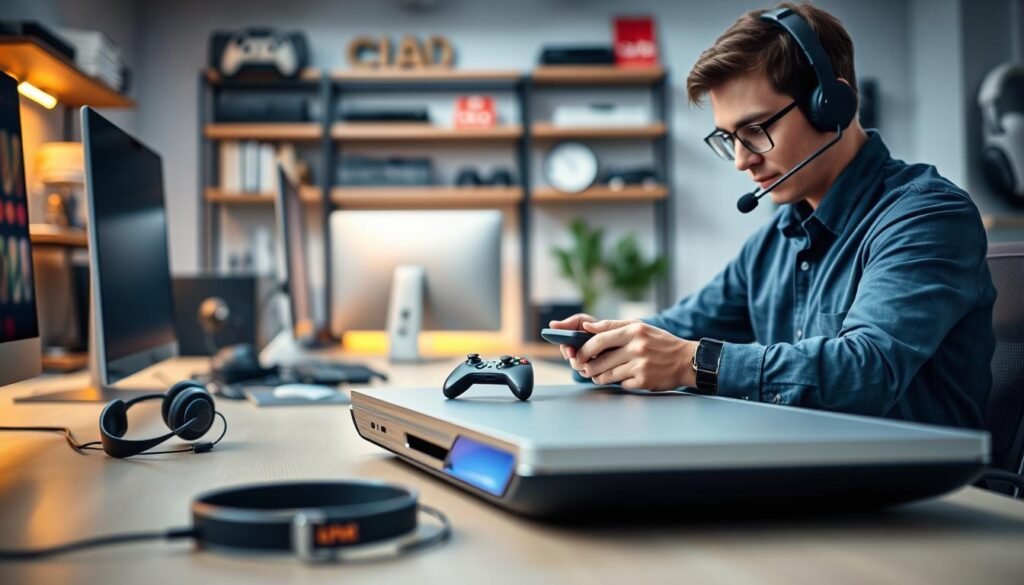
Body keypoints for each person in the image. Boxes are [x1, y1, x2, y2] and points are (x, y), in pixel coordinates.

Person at [550, 2, 996, 429]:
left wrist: (692, 362)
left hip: (915, 491)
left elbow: (868, 371)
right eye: (729, 138)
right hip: (805, 473)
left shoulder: (927, 217)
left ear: (831, 105)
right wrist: (603, 345)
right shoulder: (776, 241)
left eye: (756, 130)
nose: (742, 161)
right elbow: (672, 333)